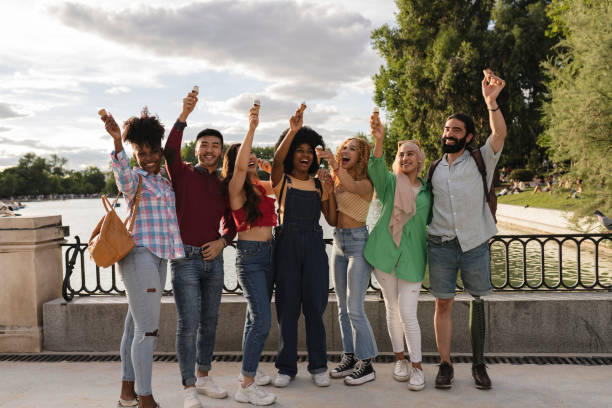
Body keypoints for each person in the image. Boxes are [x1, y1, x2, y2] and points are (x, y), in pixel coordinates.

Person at [427, 70, 506, 390]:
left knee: (478, 300)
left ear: (468, 136)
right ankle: (445, 365)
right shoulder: (433, 167)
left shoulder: (481, 159)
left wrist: (491, 103)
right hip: (440, 245)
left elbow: (499, 134)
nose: (449, 133)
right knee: (442, 304)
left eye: (456, 129)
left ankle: (478, 364)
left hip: (474, 244)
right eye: (447, 128)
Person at [102, 108, 184, 408]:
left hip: (160, 256)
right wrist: (116, 142)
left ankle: (127, 393)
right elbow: (121, 176)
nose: (148, 158)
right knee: (148, 331)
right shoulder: (133, 179)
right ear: (134, 153)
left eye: (153, 152)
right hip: (140, 255)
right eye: (141, 153)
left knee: (133, 327)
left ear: (161, 151)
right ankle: (145, 398)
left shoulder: (162, 180)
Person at [163, 91, 237, 408]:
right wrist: (183, 115)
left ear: (220, 153)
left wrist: (222, 241)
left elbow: (233, 223)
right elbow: (168, 151)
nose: (209, 149)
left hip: (213, 260)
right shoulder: (181, 174)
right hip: (185, 260)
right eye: (204, 145)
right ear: (196, 150)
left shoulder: (222, 184)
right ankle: (188, 386)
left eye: (215, 146)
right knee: (188, 324)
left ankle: (204, 377)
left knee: (210, 322)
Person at [270, 105, 336, 388]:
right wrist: (293, 131)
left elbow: (332, 218)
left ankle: (319, 366)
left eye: (310, 151)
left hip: (314, 246)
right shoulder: (281, 180)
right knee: (287, 311)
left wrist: (331, 192)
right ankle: (286, 368)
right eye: (300, 149)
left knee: (315, 309)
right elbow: (275, 160)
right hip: (286, 246)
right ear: (291, 153)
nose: (306, 155)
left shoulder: (319, 184)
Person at [365, 117, 432, 391]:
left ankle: (417, 367)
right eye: (401, 154)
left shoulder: (429, 189)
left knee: (408, 313)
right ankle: (400, 360)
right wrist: (379, 140)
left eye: (410, 153)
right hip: (384, 255)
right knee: (392, 310)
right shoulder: (390, 184)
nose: (405, 157)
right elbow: (374, 166)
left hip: (413, 259)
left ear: (420, 159)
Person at [222, 103, 276, 406]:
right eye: (247, 157)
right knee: (261, 322)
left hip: (269, 255)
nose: (252, 159)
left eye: (255, 157)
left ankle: (248, 371)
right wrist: (252, 128)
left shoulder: (260, 186)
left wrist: (270, 169)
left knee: (252, 318)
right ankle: (247, 385)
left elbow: (283, 187)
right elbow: (241, 166)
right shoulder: (236, 188)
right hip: (251, 257)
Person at [316, 139, 378, 385]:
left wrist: (332, 164)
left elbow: (352, 185)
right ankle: (350, 356)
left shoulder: (365, 182)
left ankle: (367, 363)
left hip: (359, 244)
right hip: (339, 242)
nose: (345, 151)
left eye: (352, 148)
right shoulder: (340, 182)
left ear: (361, 155)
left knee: (355, 308)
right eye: (344, 148)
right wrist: (327, 190)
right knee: (341, 308)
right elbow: (331, 219)